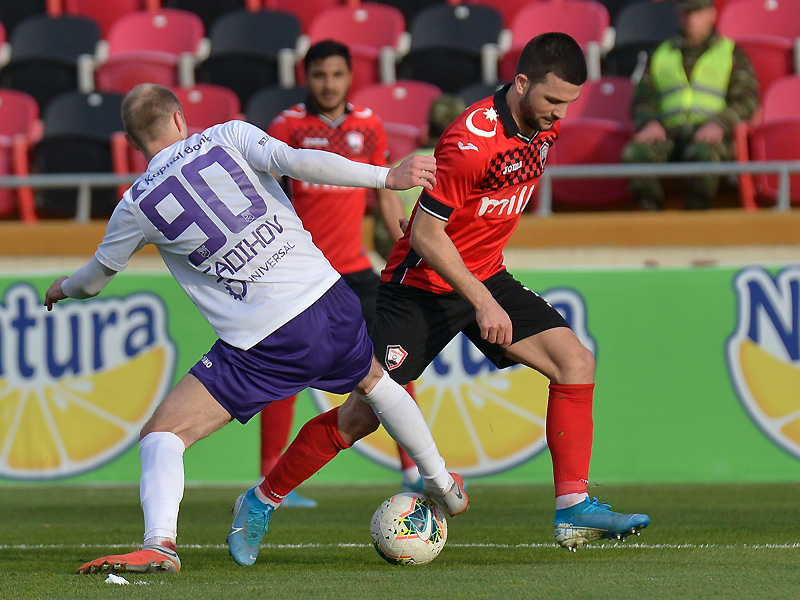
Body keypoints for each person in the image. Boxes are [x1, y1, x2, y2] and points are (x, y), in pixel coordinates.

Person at [46, 83, 467, 575]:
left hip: (265, 339)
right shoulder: (229, 134)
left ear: (133, 140)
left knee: (164, 433)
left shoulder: (135, 203)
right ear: (180, 119)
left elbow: (94, 280)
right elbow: (301, 162)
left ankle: (160, 543)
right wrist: (385, 175)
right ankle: (438, 479)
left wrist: (61, 288)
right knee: (377, 384)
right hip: (331, 301)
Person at [257, 32, 650, 552]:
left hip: (484, 273)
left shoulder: (542, 125)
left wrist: (486, 287)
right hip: (420, 287)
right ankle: (262, 500)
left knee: (575, 361)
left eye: (569, 104)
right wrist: (482, 301)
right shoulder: (471, 142)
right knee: (359, 417)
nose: (560, 115)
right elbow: (424, 233)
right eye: (553, 101)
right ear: (522, 82)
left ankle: (573, 509)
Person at [264, 39, 423, 496]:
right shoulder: (287, 126)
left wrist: (403, 246)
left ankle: (413, 470)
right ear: (305, 76)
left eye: (336, 74)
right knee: (283, 372)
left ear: (350, 76)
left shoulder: (369, 125)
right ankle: (271, 476)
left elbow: (386, 192)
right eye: (319, 75)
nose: (328, 84)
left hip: (355, 271)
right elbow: (269, 195)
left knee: (393, 362)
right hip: (303, 274)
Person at [621, 0, 759, 210]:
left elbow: (747, 100)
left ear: (712, 14)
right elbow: (643, 99)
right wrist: (650, 123)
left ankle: (696, 221)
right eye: (686, 13)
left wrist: (719, 124)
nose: (691, 19)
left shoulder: (731, 53)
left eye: (697, 12)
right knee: (634, 155)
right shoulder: (660, 54)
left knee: (703, 156)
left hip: (709, 135)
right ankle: (652, 221)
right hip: (668, 133)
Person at [373, 93, 467, 260]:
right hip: (456, 263)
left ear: (428, 129)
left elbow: (382, 238)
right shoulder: (469, 169)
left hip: (409, 264)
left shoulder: (397, 170)